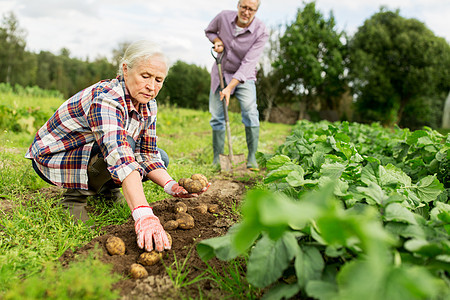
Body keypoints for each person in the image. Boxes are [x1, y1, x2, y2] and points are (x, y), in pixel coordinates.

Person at [25, 40, 208, 252]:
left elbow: (147, 153)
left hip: (92, 152)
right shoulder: (107, 98)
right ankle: (74, 198)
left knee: (161, 157)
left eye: (159, 80)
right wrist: (144, 214)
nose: (151, 86)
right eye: (145, 76)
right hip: (57, 156)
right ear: (125, 69)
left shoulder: (148, 102)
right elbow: (119, 154)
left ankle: (107, 191)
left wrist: (171, 186)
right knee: (125, 147)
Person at [205, 0, 269, 170]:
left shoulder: (261, 31)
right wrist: (217, 41)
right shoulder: (223, 17)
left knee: (250, 112)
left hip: (244, 76)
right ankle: (217, 159)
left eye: (251, 9)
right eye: (244, 7)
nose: (246, 12)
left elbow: (249, 62)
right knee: (217, 116)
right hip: (220, 72)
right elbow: (209, 31)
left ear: (256, 11)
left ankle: (252, 158)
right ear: (238, 6)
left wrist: (230, 87)